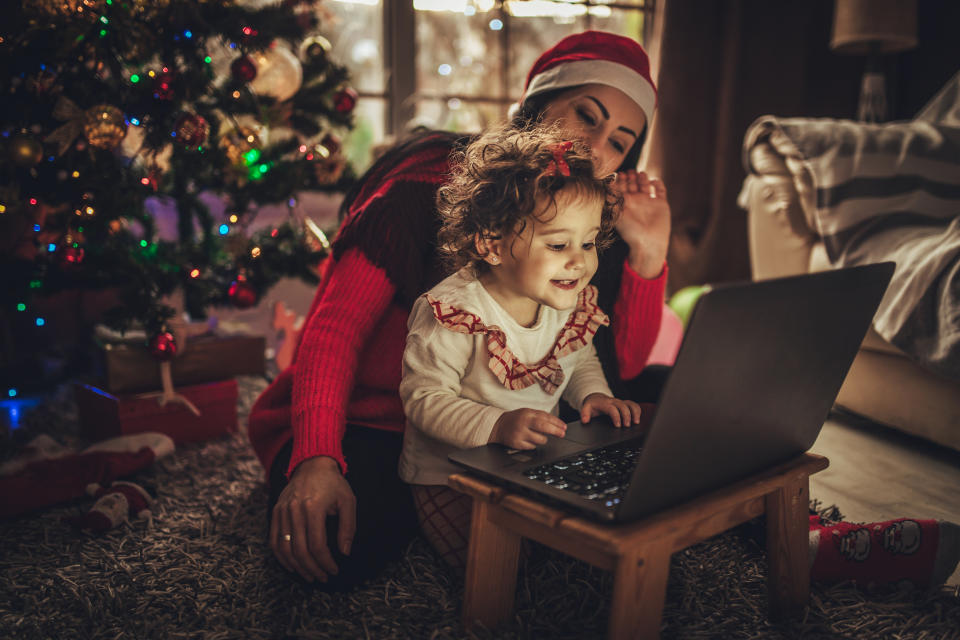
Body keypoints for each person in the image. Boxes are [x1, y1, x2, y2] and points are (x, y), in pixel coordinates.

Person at [247, 30, 670, 589]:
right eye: (586, 116)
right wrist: (317, 459)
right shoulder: (421, 186)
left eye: (620, 141)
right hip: (379, 417)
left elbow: (625, 366)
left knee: (665, 403)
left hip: (509, 412)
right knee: (336, 547)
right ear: (535, 107)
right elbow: (335, 330)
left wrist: (649, 251)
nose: (596, 147)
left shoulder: (584, 221)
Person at [398, 125, 645, 566]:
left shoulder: (561, 298)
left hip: (527, 464)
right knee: (494, 564)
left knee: (581, 544)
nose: (580, 260)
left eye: (587, 243)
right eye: (558, 244)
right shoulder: (454, 313)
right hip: (448, 474)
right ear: (492, 244)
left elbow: (579, 355)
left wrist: (594, 395)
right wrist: (495, 425)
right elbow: (423, 399)